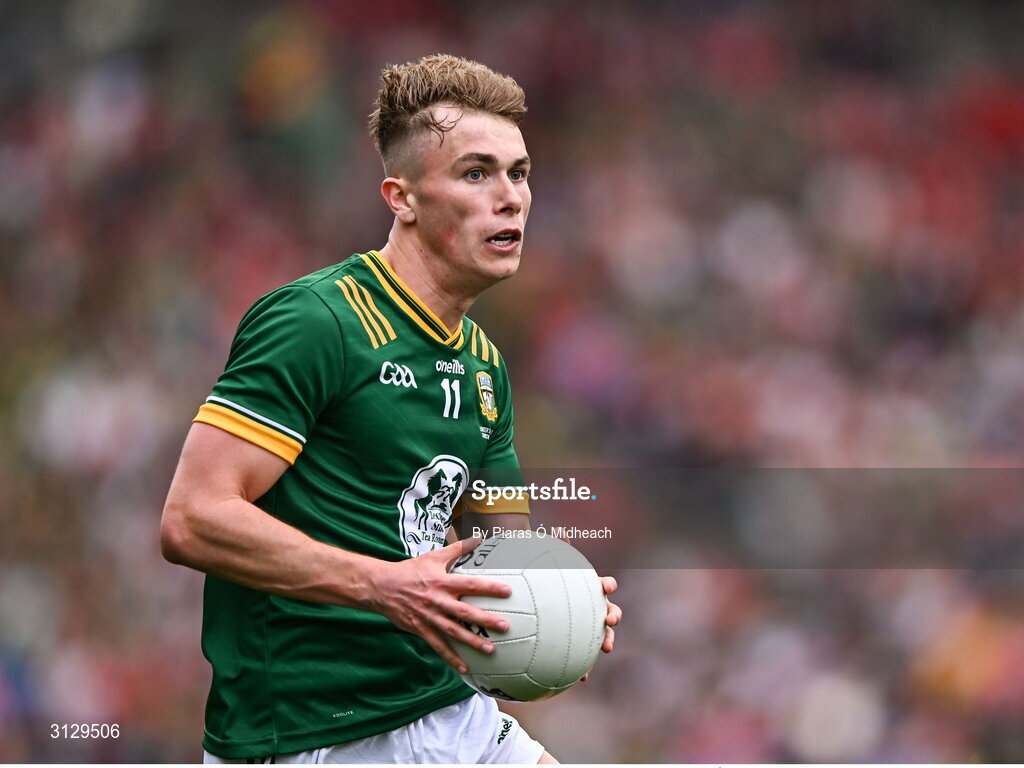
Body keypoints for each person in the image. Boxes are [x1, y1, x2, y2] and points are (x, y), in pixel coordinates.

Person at [160, 53, 621, 764]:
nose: (511, 197)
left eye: (519, 173)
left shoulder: (482, 363)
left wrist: (563, 608)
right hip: (313, 739)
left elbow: (500, 559)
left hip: (451, 716)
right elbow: (192, 520)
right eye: (476, 173)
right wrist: (385, 586)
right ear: (401, 197)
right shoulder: (319, 322)